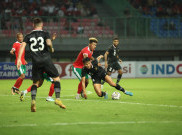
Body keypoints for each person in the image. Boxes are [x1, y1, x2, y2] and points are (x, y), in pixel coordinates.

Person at [17, 17, 65, 112]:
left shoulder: (28, 35)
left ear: (33, 25)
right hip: (46, 60)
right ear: (42, 25)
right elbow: (48, 43)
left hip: (36, 61)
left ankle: (33, 100)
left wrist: (19, 59)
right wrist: (51, 47)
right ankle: (58, 99)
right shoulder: (45, 33)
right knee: (56, 79)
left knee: (35, 83)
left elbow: (22, 46)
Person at [20, 33, 58, 102]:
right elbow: (47, 44)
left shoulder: (36, 49)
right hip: (45, 67)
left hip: (38, 66)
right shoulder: (44, 50)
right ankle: (49, 97)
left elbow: (45, 43)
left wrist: (52, 39)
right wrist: (51, 41)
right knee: (54, 81)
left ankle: (24, 92)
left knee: (38, 84)